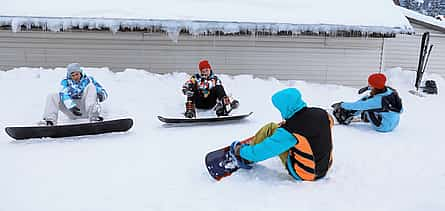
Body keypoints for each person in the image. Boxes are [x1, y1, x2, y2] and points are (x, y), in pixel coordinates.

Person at [227, 88, 334, 181]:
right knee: (296, 139)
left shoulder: (290, 130)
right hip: (325, 167)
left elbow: (262, 152)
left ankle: (246, 158)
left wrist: (240, 151)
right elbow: (326, 123)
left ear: (285, 107)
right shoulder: (322, 113)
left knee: (270, 128)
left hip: (306, 174)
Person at [38, 63, 108, 126]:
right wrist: (71, 106)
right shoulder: (65, 82)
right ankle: (50, 121)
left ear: (80, 73)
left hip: (86, 109)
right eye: (73, 75)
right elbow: (63, 93)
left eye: (77, 74)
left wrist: (100, 94)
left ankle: (94, 117)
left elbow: (103, 91)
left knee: (91, 87)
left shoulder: (89, 80)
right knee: (52, 95)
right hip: (72, 110)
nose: (75, 77)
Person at [331, 72, 403, 132]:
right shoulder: (391, 91)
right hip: (393, 122)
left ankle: (347, 116)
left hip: (383, 127)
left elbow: (358, 105)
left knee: (366, 105)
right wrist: (366, 88)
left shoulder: (378, 101)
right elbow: (400, 109)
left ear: (374, 87)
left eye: (370, 84)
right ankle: (361, 114)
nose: (369, 85)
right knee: (368, 99)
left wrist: (341, 104)